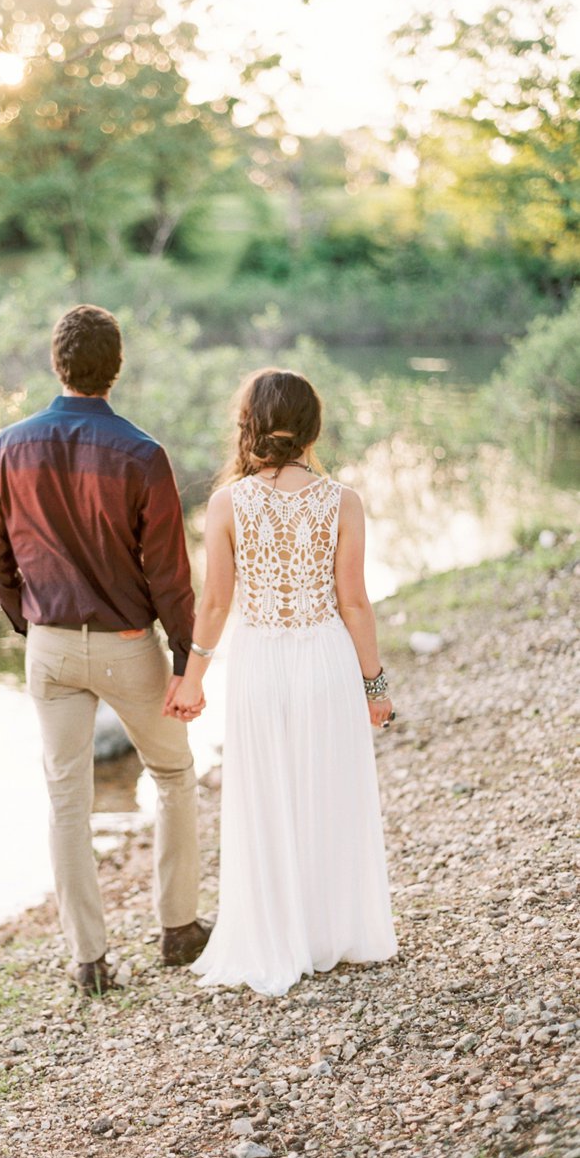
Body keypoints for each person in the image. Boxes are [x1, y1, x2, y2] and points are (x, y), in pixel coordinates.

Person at [0, 303, 211, 995]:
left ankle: (89, 959)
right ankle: (178, 929)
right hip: (128, 644)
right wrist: (184, 661)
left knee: (66, 803)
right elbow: (170, 575)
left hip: (49, 647)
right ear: (116, 368)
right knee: (172, 776)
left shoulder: (8, 446)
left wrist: (36, 626)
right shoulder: (142, 453)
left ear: (58, 365)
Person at [167, 368, 398, 995]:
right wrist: (375, 687)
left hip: (260, 662)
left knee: (266, 796)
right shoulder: (342, 501)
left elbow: (213, 606)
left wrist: (192, 681)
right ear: (311, 428)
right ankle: (332, 933)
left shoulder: (226, 503)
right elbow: (355, 603)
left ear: (249, 424)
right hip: (325, 659)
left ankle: (276, 935)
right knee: (328, 790)